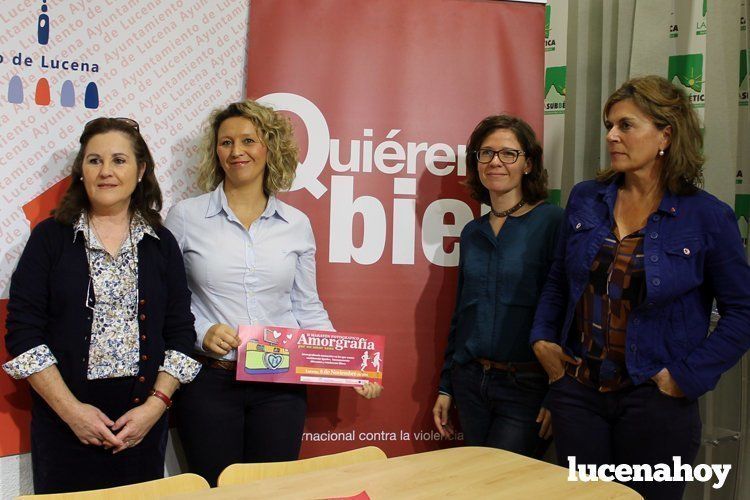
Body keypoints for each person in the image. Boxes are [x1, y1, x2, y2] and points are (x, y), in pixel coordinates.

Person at [530, 75, 750, 499]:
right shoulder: (586, 198)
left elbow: (742, 312)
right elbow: (559, 278)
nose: (612, 135)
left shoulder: (707, 217)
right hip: (579, 396)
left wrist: (683, 377)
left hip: (656, 403)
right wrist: (543, 341)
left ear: (666, 133)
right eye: (609, 125)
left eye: (626, 125)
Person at [166, 100, 382, 486]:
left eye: (248, 140)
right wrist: (202, 331)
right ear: (216, 151)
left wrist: (351, 365)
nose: (237, 151)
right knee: (215, 492)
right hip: (209, 382)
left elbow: (307, 307)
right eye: (226, 142)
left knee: (274, 491)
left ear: (269, 148)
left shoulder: (296, 224)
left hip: (280, 385)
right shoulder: (186, 216)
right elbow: (169, 299)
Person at [2, 117, 201, 494]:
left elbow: (180, 332)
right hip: (64, 421)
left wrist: (154, 408)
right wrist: (70, 411)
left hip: (141, 421)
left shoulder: (162, 243)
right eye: (94, 161)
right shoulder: (50, 238)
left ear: (141, 170)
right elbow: (23, 332)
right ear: (81, 171)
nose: (106, 171)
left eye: (119, 160)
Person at [432, 115, 563, 457]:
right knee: (477, 484)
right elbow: (463, 313)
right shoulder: (473, 233)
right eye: (485, 153)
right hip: (471, 383)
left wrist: (558, 392)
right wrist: (447, 386)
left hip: (527, 386)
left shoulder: (553, 223)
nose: (495, 162)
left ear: (528, 163)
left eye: (508, 153)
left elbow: (567, 312)